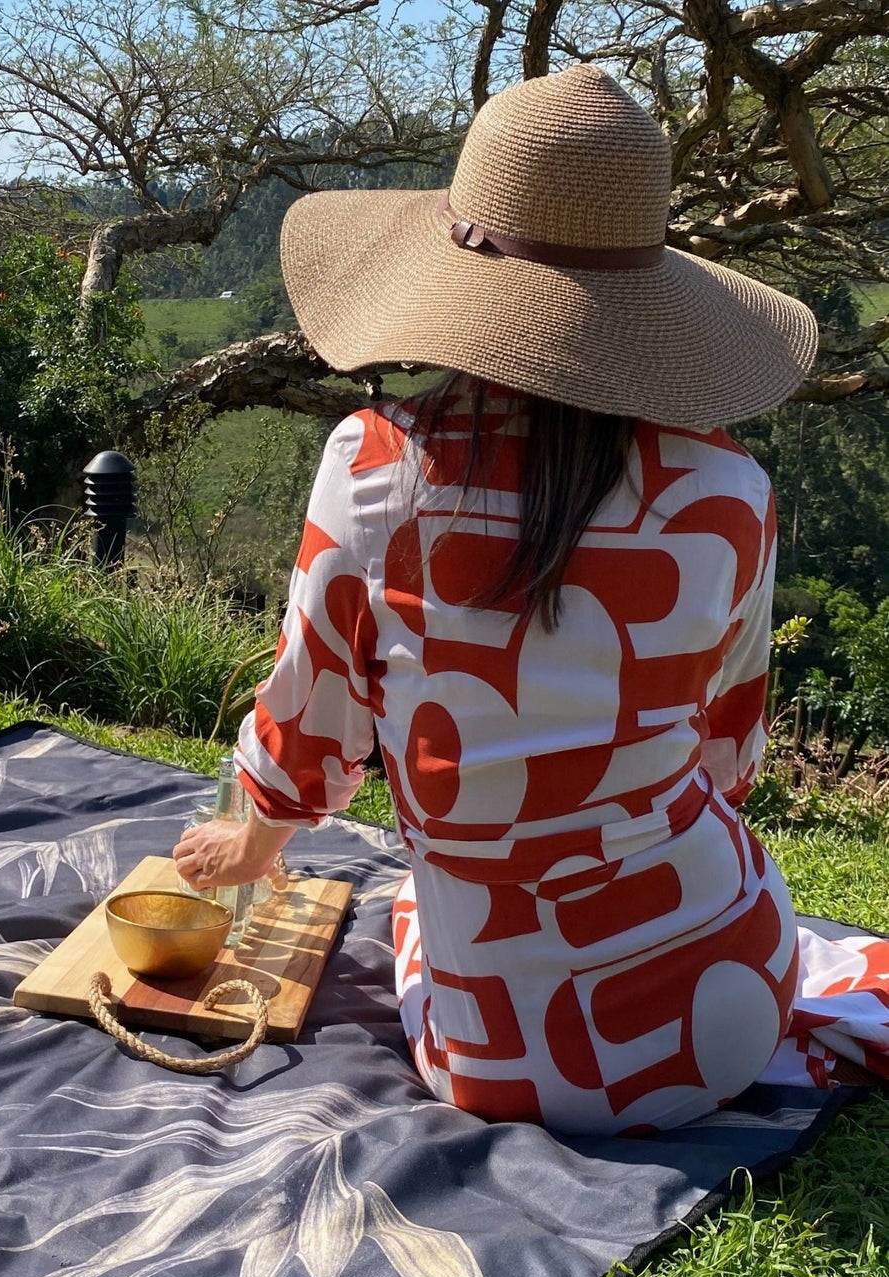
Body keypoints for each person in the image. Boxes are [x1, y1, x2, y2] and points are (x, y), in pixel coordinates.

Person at [173, 64, 889, 1135]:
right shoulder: (730, 494)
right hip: (726, 1014)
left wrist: (250, 845)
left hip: (489, 1052)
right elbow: (727, 758)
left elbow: (311, 717)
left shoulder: (372, 463)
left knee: (411, 899)